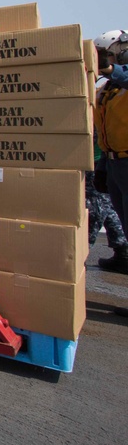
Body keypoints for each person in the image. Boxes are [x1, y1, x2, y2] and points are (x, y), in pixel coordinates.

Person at [94, 29, 128, 281]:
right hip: (116, 164)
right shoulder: (108, 89)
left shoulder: (120, 80)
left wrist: (110, 70)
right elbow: (106, 128)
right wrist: (103, 166)